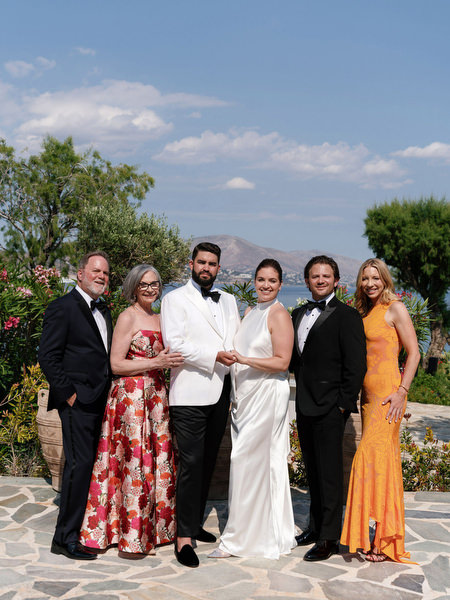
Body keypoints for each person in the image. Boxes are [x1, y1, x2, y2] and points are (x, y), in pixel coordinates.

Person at [79, 264, 183, 556]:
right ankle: (126, 535)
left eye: (155, 284)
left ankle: (157, 530)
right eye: (144, 284)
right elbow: (116, 364)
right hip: (131, 398)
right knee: (132, 463)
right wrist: (154, 363)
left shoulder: (162, 318)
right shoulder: (127, 317)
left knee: (158, 461)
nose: (150, 289)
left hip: (157, 397)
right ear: (134, 287)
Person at [210, 258, 297, 559]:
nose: (265, 285)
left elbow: (283, 362)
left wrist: (245, 360)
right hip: (245, 400)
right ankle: (253, 529)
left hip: (267, 397)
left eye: (272, 280)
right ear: (254, 280)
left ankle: (247, 538)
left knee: (252, 461)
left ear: (280, 284)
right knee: (248, 463)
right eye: (261, 279)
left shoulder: (278, 314)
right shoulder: (250, 312)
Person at [160, 242, 240, 568]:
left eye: (212, 264)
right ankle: (183, 538)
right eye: (201, 262)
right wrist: (214, 356)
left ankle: (194, 524)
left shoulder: (230, 300)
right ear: (191, 264)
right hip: (190, 395)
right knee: (191, 464)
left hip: (222, 391)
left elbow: (236, 341)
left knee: (207, 462)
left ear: (218, 268)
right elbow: (175, 345)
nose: (206, 268)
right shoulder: (173, 299)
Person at [340, 258, 420, 563]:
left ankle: (382, 542)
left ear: (385, 280)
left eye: (375, 278)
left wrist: (402, 392)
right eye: (365, 278)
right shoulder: (363, 312)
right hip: (368, 399)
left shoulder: (394, 308)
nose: (370, 283)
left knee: (368, 462)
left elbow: (414, 352)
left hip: (389, 397)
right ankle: (375, 538)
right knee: (379, 465)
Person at [290, 255, 366, 562]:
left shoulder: (347, 316)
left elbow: (356, 365)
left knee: (331, 474)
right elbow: (295, 361)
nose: (320, 280)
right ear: (307, 280)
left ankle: (329, 538)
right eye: (314, 276)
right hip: (304, 406)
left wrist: (342, 407)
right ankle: (314, 526)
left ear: (335, 280)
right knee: (313, 471)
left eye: (326, 276)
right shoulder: (296, 314)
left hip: (331, 409)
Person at [38, 251, 112, 560]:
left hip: (101, 400)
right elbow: (48, 356)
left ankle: (80, 530)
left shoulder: (105, 310)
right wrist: (70, 395)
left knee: (88, 467)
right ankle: (64, 538)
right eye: (96, 271)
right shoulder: (62, 308)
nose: (101, 276)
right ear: (80, 273)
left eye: (106, 273)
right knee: (78, 467)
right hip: (77, 402)